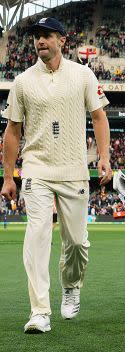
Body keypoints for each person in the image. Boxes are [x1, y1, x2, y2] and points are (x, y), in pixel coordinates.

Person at [0, 17, 111, 334]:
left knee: (76, 242)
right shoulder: (22, 81)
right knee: (36, 234)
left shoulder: (83, 75)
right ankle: (39, 311)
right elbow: (12, 131)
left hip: (74, 168)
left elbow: (99, 116)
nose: (40, 41)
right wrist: (9, 177)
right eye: (36, 37)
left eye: (47, 36)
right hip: (36, 167)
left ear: (63, 40)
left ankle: (72, 285)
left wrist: (103, 157)